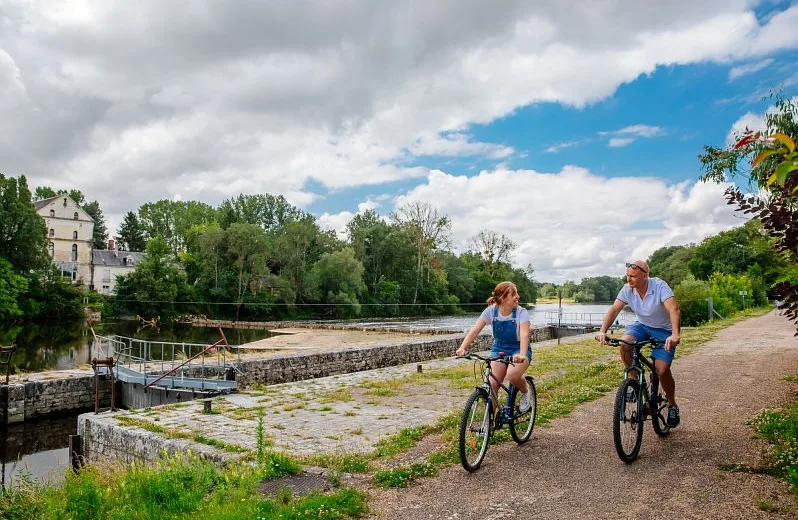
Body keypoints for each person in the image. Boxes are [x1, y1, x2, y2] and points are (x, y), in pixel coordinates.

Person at [595, 260, 682, 428]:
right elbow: (614, 309)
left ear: (645, 275)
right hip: (642, 325)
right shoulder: (627, 289)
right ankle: (633, 382)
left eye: (633, 276)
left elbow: (674, 309)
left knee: (662, 370)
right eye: (627, 276)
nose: (629, 280)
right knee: (625, 344)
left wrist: (675, 334)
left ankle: (672, 405)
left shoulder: (659, 286)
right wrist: (602, 331)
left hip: (664, 330)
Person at [456, 281, 532, 413]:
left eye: (517, 293)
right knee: (492, 385)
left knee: (513, 375)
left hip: (518, 349)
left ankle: (525, 392)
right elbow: (475, 330)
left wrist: (522, 354)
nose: (518, 296)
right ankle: (488, 424)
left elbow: (524, 335)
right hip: (499, 349)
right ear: (502, 297)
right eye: (514, 294)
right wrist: (463, 347)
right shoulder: (490, 311)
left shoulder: (521, 312)